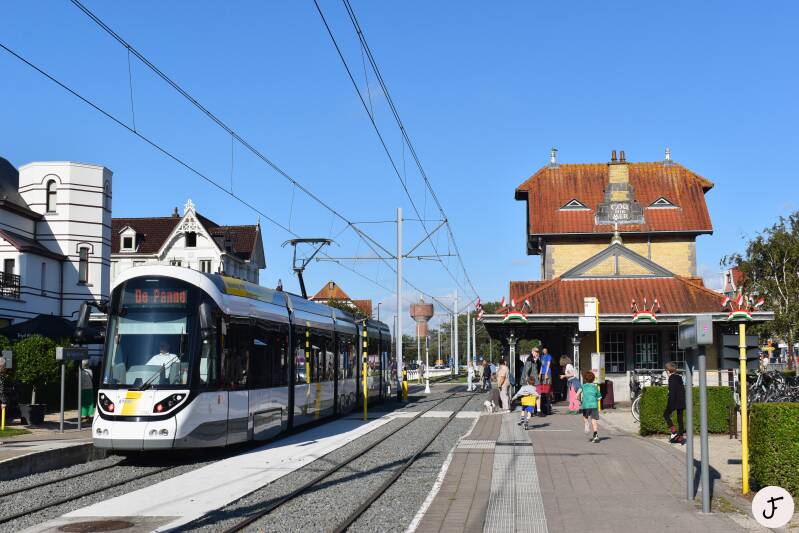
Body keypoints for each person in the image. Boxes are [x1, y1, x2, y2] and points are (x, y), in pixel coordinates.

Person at [663, 361, 686, 444]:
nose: (666, 373)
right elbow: (682, 389)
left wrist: (670, 404)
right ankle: (681, 437)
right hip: (681, 400)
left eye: (666, 371)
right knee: (680, 419)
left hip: (674, 401)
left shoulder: (671, 378)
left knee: (665, 414)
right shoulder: (679, 377)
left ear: (668, 371)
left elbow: (672, 392)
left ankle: (673, 432)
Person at [578, 371, 601, 443]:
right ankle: (596, 434)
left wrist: (579, 400)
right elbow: (599, 397)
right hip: (594, 405)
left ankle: (586, 424)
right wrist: (595, 398)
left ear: (585, 379)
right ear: (593, 379)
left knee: (585, 417)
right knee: (594, 420)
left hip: (585, 405)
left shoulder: (583, 386)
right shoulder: (595, 387)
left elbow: (577, 394)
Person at [80, 360, 95, 424]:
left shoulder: (81, 372)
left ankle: (83, 416)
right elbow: (92, 377)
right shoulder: (90, 371)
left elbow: (79, 380)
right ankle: (90, 416)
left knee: (84, 403)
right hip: (90, 388)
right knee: (90, 402)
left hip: (83, 389)